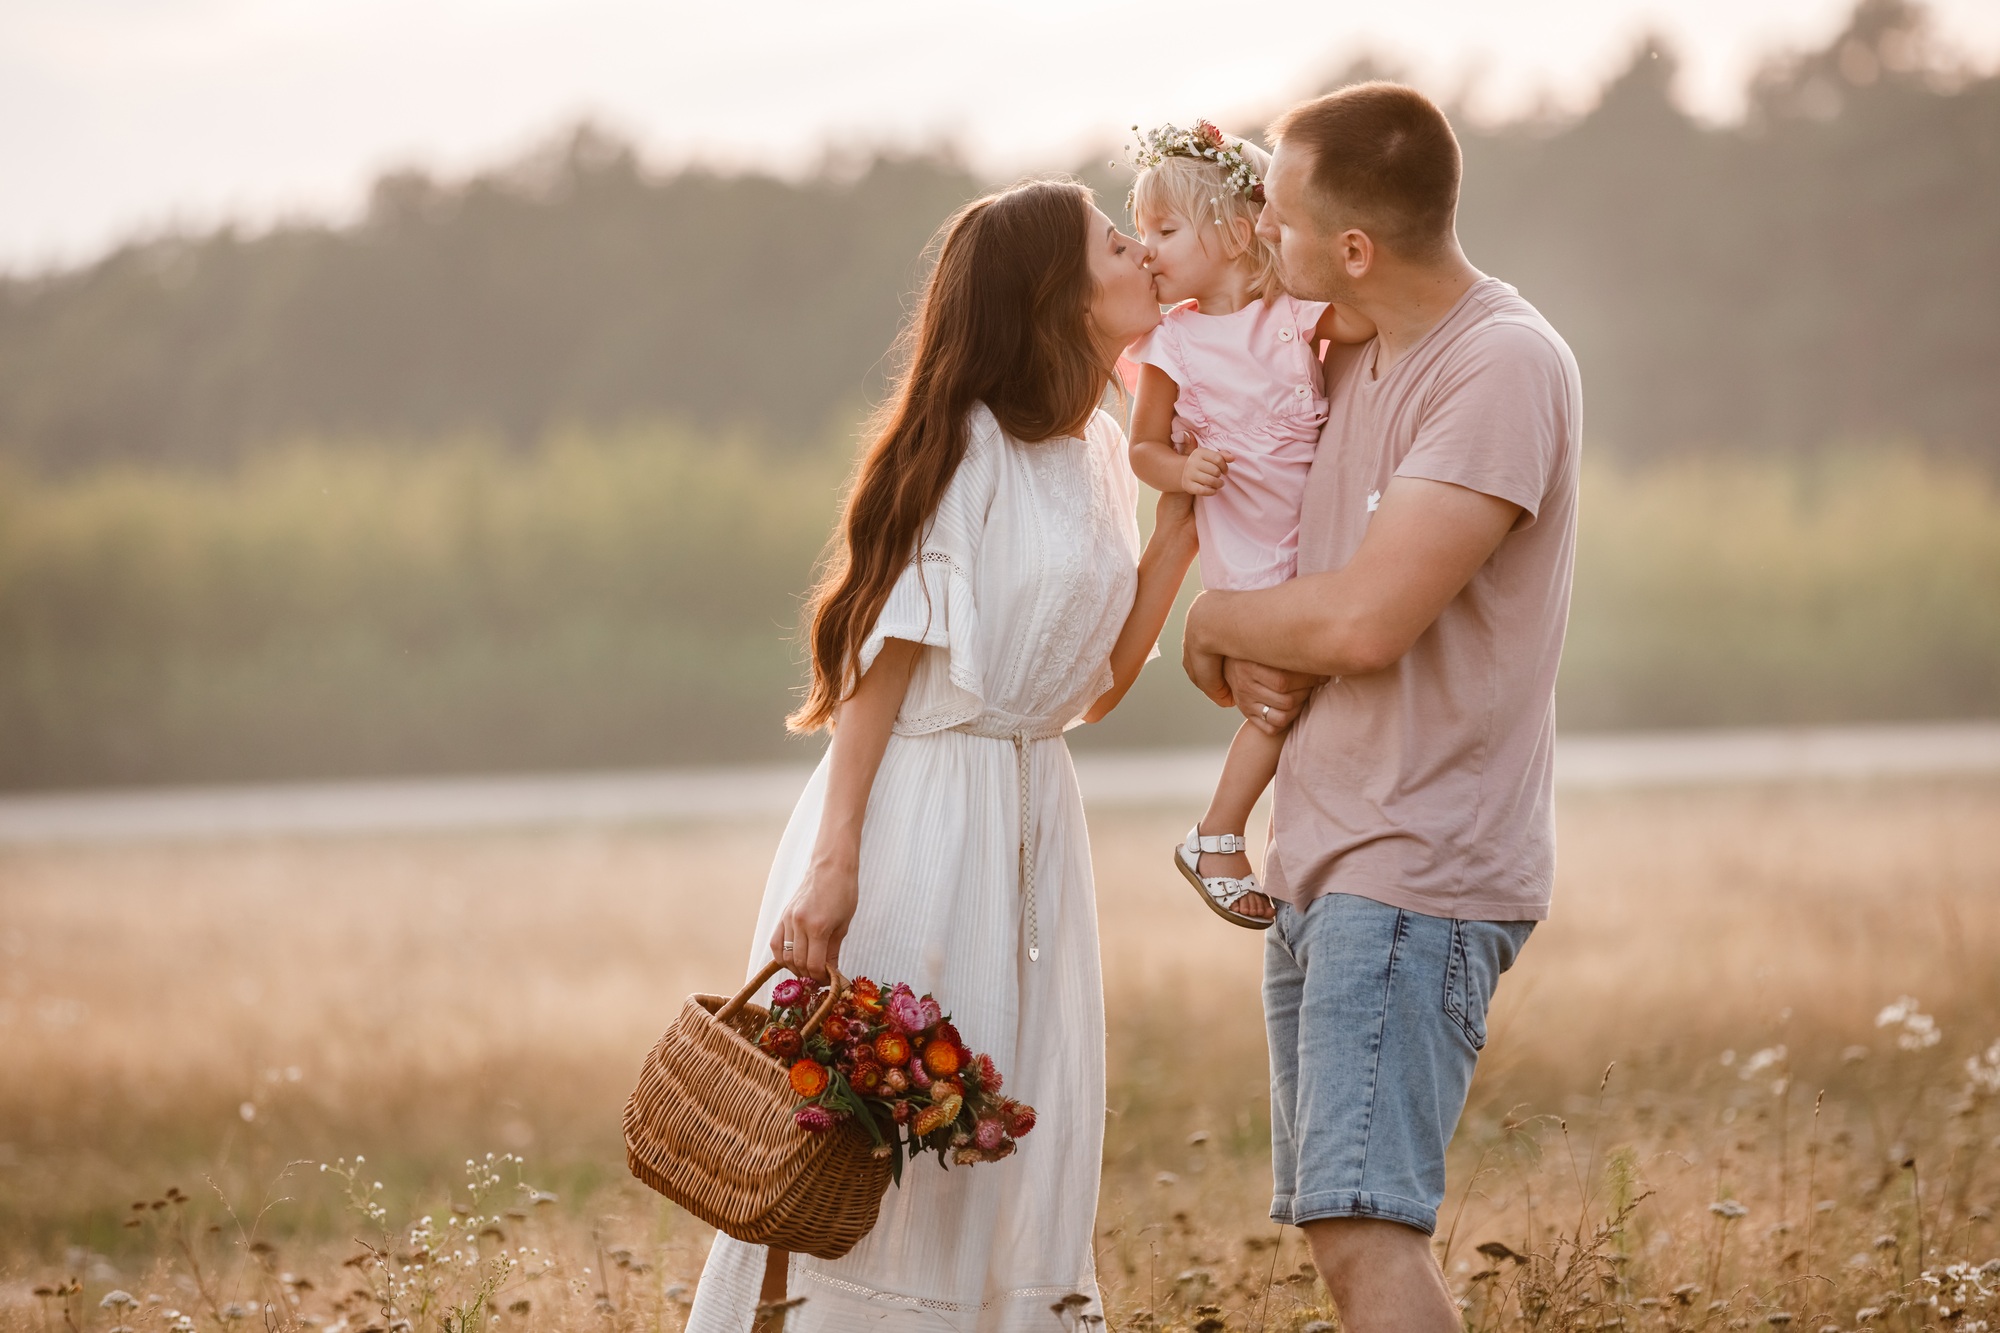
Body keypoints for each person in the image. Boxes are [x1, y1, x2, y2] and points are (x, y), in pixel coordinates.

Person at [684, 179, 1195, 1333]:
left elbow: (1098, 686)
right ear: (1057, 297)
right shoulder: (963, 451)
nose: (1143, 254)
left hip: (1028, 813)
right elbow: (881, 670)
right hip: (921, 812)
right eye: (1118, 242)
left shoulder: (1104, 457)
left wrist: (1183, 531)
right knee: (895, 1134)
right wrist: (835, 857)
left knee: (1012, 1115)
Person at [1180, 83, 1583, 1333]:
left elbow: (1362, 622)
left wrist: (1208, 625)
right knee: (1340, 1228)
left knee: (1366, 1228)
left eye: (1283, 222)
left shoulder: (1500, 365)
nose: (1265, 240)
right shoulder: (1347, 341)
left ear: (1353, 246)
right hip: (1327, 857)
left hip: (1415, 867)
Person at [1121, 119, 1374, 929]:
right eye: (1139, 232)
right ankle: (1217, 832)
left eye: (1165, 230)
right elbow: (1143, 449)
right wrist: (1181, 471)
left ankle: (1273, 833)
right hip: (1249, 555)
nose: (1147, 248)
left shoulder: (1289, 317)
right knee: (1279, 700)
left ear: (1236, 233)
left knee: (1303, 694)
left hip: (1316, 546)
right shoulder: (1175, 343)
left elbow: (1365, 322)